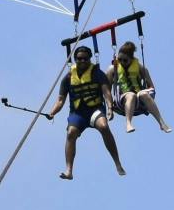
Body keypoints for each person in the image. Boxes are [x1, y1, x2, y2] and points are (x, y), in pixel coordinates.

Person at [47, 44, 124, 180]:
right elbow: (60, 100)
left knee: (104, 127)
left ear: (89, 59)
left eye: (85, 59)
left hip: (95, 109)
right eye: (79, 59)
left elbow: (106, 92)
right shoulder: (68, 77)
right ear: (75, 60)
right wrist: (52, 113)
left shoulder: (97, 73)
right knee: (71, 133)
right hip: (78, 113)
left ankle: (117, 162)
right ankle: (69, 170)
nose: (82, 61)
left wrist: (110, 108)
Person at [108, 41, 170, 133]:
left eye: (125, 60)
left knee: (143, 93)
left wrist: (148, 93)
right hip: (121, 101)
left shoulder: (141, 68)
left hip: (140, 100)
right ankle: (128, 124)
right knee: (130, 95)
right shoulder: (113, 69)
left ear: (131, 59)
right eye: (120, 59)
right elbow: (106, 90)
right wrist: (109, 108)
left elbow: (151, 86)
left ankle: (161, 123)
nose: (122, 62)